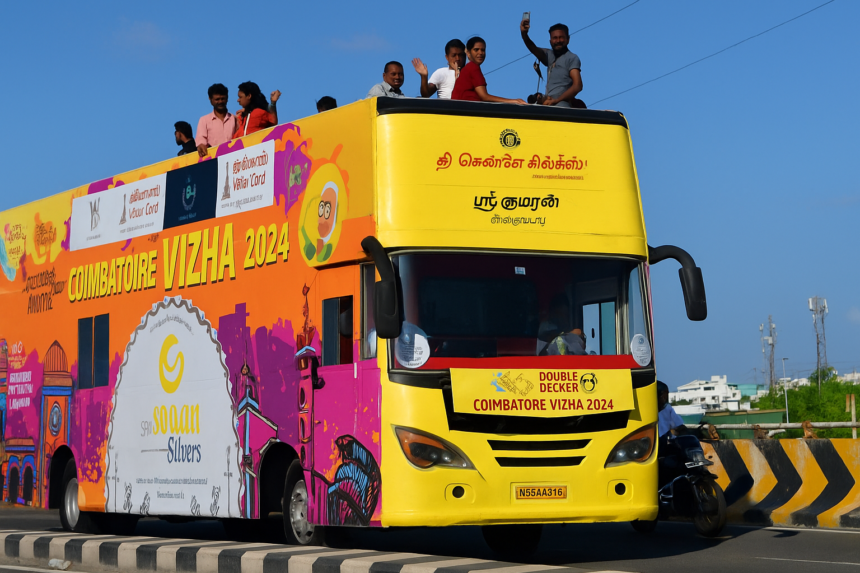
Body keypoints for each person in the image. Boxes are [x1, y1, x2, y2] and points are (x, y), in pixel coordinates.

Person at [520, 20, 583, 107]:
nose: (558, 41)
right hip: (548, 105)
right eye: (555, 38)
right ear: (550, 41)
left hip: (562, 106)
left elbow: (577, 85)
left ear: (568, 39)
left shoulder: (571, 58)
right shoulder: (549, 55)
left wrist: (557, 100)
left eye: (561, 37)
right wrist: (524, 34)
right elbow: (533, 48)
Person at [451, 37, 526, 104]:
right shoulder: (472, 67)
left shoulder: (468, 68)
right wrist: (514, 101)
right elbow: (484, 96)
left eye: (483, 50)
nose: (480, 53)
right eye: (476, 50)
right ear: (468, 53)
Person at [196, 84, 236, 157]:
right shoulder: (204, 120)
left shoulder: (234, 119)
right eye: (217, 99)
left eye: (223, 99)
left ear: (227, 99)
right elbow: (201, 140)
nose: (220, 101)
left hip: (233, 158)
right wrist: (201, 145)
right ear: (210, 100)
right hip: (214, 160)